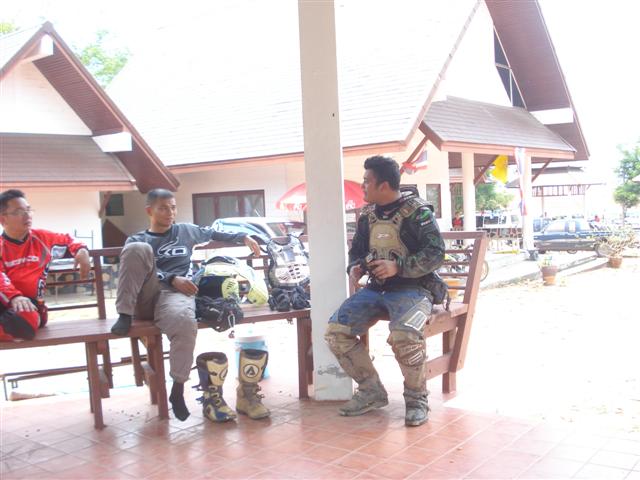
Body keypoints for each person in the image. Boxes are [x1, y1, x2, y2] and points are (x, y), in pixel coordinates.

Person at [109, 188, 265, 422]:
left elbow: (215, 232)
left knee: (185, 323)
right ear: (150, 211)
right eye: (163, 208)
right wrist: (171, 278)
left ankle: (178, 388)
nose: (170, 213)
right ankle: (123, 314)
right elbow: (134, 271)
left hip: (175, 295)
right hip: (144, 295)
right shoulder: (138, 239)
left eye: (173, 207)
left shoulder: (186, 231)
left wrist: (244, 236)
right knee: (136, 249)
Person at [325, 156, 445, 427]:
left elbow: (436, 253)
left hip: (414, 290)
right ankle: (371, 391)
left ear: (384, 185)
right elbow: (356, 252)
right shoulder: (367, 216)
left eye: (367, 181)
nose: (363, 185)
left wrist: (398, 267)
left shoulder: (418, 212)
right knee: (335, 333)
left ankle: (416, 399)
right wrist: (355, 268)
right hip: (376, 290)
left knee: (405, 336)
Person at [0, 189, 91, 341]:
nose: (27, 215)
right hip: (6, 300)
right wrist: (14, 297)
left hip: (31, 306)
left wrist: (81, 249)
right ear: (3, 220)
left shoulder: (42, 238)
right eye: (19, 212)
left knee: (25, 319)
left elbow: (69, 239)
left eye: (28, 210)